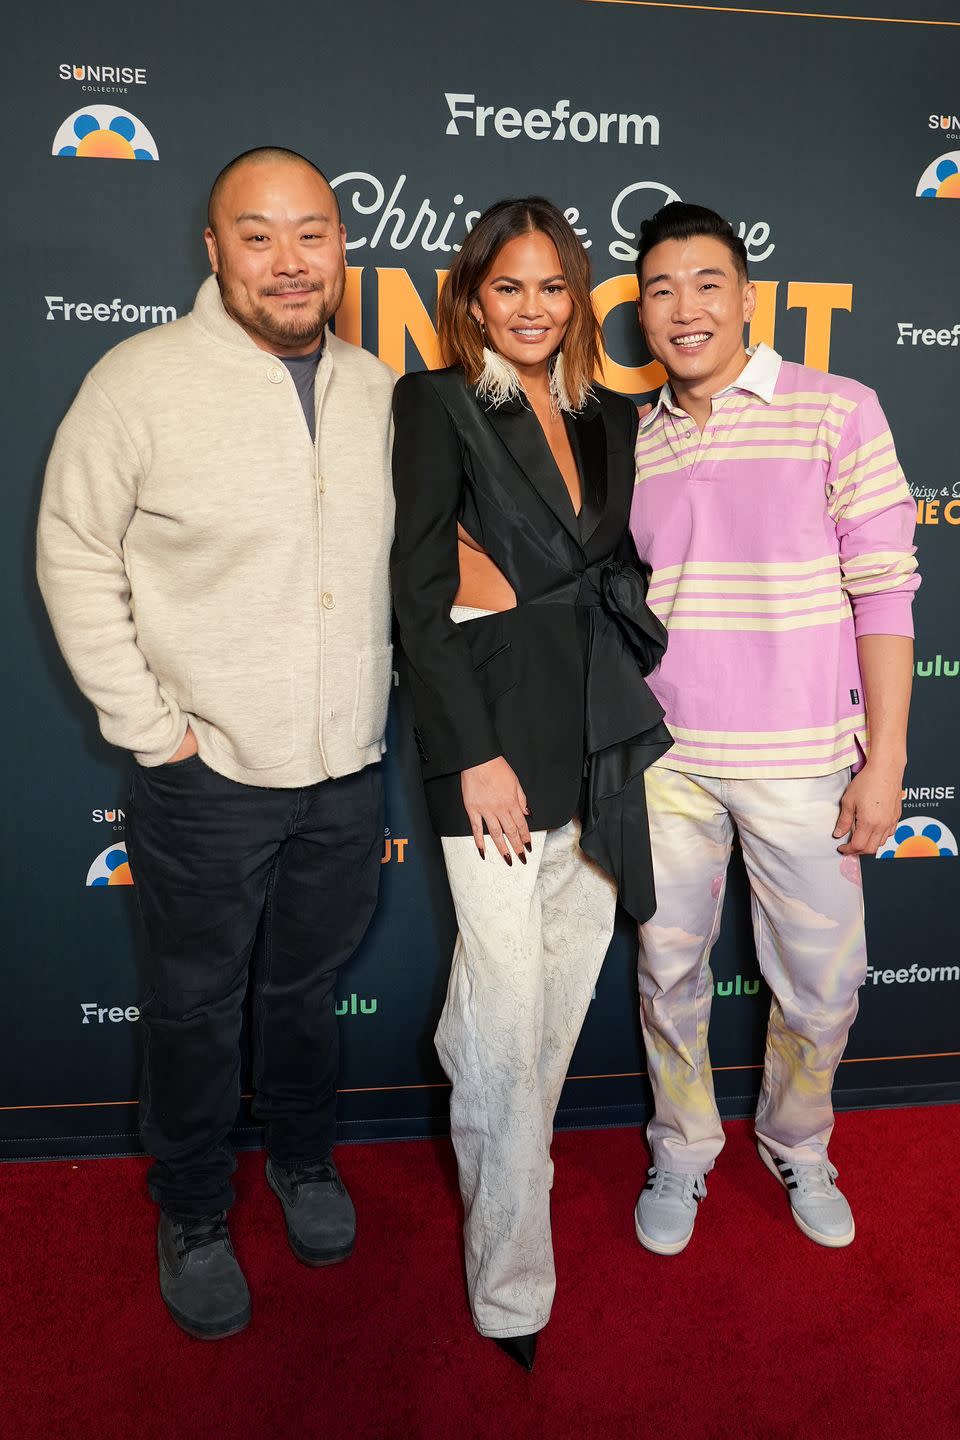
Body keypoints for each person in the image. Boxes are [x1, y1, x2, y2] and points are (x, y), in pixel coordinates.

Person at [37, 147, 396, 1339]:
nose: (290, 262)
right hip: (204, 781)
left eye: (313, 234)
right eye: (259, 235)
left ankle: (301, 1159)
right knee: (193, 1008)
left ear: (342, 248)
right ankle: (191, 1205)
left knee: (304, 993)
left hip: (346, 771)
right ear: (214, 251)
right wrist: (151, 729)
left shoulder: (381, 388)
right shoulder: (139, 379)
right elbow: (75, 551)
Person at [391, 197, 671, 1369]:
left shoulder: (613, 413)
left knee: (546, 1012)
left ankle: (470, 1080)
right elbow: (416, 589)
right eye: (509, 288)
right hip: (493, 753)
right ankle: (513, 1279)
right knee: (511, 1025)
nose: (532, 309)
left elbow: (616, 563)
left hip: (602, 740)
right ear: (472, 298)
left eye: (552, 288)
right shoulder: (438, 402)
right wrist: (473, 754)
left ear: (577, 298)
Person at [629, 202, 919, 1256]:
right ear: (643, 313)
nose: (685, 308)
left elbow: (886, 595)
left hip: (807, 765)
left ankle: (800, 1138)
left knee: (825, 981)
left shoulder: (838, 409)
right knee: (668, 971)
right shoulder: (636, 437)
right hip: (668, 765)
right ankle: (684, 1146)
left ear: (749, 297)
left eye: (707, 284)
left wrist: (884, 764)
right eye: (661, 290)